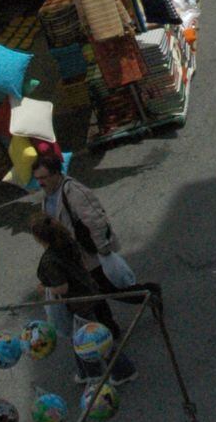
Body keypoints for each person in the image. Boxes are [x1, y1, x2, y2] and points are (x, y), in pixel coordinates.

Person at [31, 214, 138, 386]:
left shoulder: (50, 260)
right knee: (80, 336)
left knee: (94, 339)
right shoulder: (67, 242)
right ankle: (87, 372)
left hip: (78, 303)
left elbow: (62, 288)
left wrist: (44, 289)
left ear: (38, 237)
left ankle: (122, 370)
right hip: (88, 291)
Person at [34, 154, 136, 295]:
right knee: (94, 296)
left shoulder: (73, 190)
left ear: (56, 174)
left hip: (89, 254)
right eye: (37, 178)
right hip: (73, 257)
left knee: (109, 290)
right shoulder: (47, 197)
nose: (40, 183)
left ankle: (149, 294)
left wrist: (103, 249)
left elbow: (95, 220)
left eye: (43, 178)